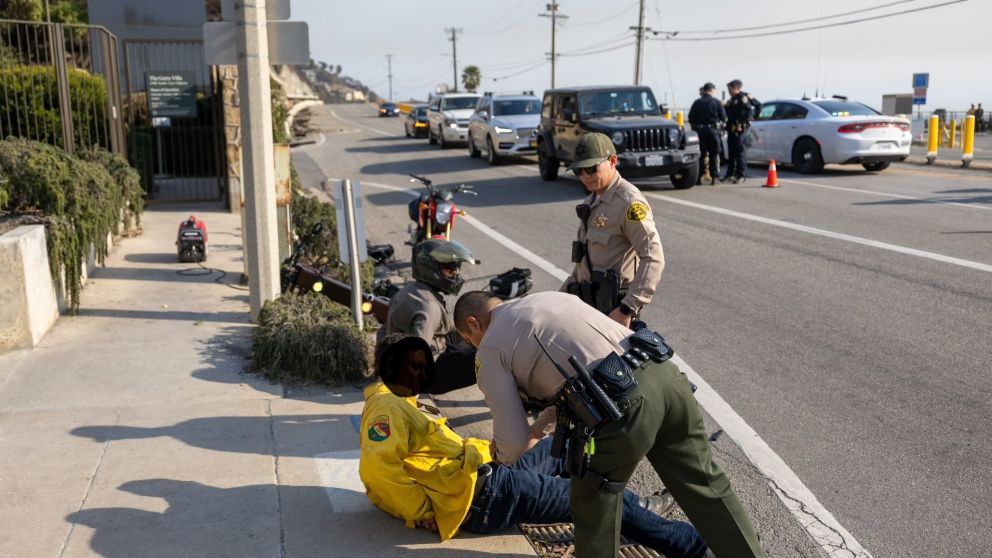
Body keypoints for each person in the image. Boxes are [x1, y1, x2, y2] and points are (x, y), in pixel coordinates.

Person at [453, 290, 767, 558]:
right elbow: (575, 371)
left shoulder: (491, 348)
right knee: (706, 485)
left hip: (622, 405)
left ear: (473, 323)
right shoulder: (547, 298)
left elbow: (513, 442)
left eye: (470, 339)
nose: (475, 345)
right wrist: (540, 428)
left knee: (593, 504)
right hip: (666, 377)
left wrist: (503, 455)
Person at [362, 333, 711, 558]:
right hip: (483, 496)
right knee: (599, 500)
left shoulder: (405, 399)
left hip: (491, 472)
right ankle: (698, 549)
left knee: (573, 447)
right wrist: (423, 511)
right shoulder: (387, 405)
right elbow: (378, 474)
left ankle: (638, 509)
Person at [560, 133, 665, 327]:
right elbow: (583, 264)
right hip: (588, 305)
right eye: (579, 171)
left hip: (614, 312)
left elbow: (653, 257)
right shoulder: (592, 202)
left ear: (613, 161)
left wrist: (627, 309)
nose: (585, 177)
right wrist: (559, 298)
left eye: (591, 169)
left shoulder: (629, 203)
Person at [382, 239, 478, 394]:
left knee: (464, 334)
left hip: (396, 360)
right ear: (430, 269)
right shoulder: (429, 307)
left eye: (456, 270)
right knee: (488, 358)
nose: (455, 275)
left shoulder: (410, 290)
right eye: (449, 271)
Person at [688, 83, 727, 186]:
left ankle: (699, 177)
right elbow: (723, 118)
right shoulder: (716, 102)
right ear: (712, 90)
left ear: (704, 90)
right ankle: (715, 178)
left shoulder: (697, 102)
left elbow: (691, 117)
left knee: (701, 155)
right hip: (713, 131)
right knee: (714, 155)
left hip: (700, 131)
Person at [723, 79, 761, 184]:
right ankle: (730, 174)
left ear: (736, 88)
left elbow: (755, 107)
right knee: (731, 152)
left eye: (730, 89)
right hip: (731, 128)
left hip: (740, 128)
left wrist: (751, 119)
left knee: (740, 152)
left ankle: (741, 175)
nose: (729, 91)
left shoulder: (743, 97)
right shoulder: (732, 99)